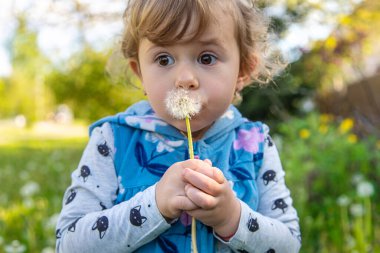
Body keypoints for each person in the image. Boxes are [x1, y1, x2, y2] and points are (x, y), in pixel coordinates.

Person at [55, 0, 301, 252]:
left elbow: (289, 245)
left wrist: (232, 219)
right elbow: (69, 244)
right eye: (163, 60)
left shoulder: (255, 145)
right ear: (139, 72)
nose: (184, 79)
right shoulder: (113, 140)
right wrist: (154, 204)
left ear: (243, 70)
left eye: (207, 57)